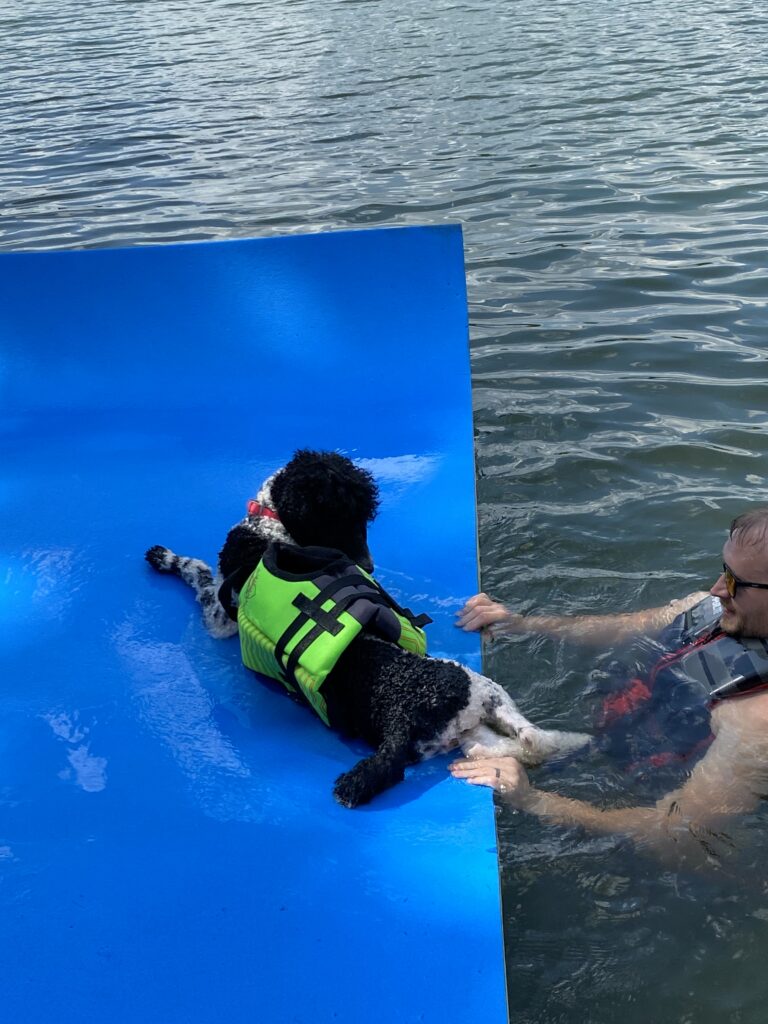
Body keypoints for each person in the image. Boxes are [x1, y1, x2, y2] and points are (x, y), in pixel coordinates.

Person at [450, 508, 768, 864]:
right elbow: (624, 627)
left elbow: (677, 831)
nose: (716, 589)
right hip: (616, 746)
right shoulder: (708, 606)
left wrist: (534, 800)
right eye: (724, 569)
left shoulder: (758, 721)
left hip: (641, 798)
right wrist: (523, 625)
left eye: (735, 582)